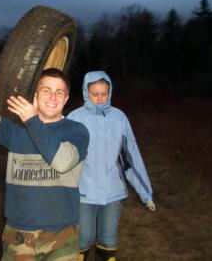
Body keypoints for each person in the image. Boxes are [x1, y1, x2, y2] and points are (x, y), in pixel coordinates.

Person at [0, 68, 90, 260]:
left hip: (62, 235)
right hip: (18, 236)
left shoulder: (76, 131)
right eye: (46, 90)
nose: (53, 97)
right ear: (34, 94)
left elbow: (63, 162)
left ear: (66, 99)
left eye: (59, 92)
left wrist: (32, 120)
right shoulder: (16, 129)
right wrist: (10, 74)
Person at [67, 71, 156, 261]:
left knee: (108, 239)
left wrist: (145, 192)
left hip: (113, 190)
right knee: (83, 238)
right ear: (86, 92)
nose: (100, 98)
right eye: (95, 94)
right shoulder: (75, 118)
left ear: (110, 92)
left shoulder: (119, 118)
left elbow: (131, 155)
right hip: (83, 190)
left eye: (104, 93)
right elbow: (61, 156)